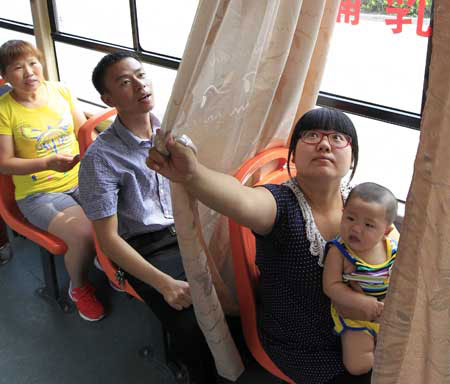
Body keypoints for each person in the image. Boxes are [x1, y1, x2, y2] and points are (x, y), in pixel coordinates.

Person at [148, 107, 384, 383]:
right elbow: (239, 197)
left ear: (352, 157)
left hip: (358, 331)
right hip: (306, 348)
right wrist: (193, 174)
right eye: (311, 135)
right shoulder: (280, 205)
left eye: (337, 138)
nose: (323, 144)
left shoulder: (358, 204)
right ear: (293, 154)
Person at [78, 52, 216, 383]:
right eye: (126, 82)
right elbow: (108, 240)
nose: (140, 85)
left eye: (141, 75)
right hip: (146, 245)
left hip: (187, 226)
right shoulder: (101, 159)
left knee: (238, 288)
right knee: (192, 322)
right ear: (108, 99)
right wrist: (163, 283)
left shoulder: (171, 133)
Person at [0, 40, 104, 321]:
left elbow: (84, 133)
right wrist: (47, 163)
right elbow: (4, 163)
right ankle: (79, 287)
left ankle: (105, 256)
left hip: (79, 177)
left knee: (118, 209)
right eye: (17, 68)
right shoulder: (4, 110)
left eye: (33, 63)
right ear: (6, 77)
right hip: (39, 192)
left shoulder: (61, 91)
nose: (29, 72)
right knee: (82, 234)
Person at [323, 182, 398, 375]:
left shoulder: (391, 248)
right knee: (358, 365)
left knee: (402, 352)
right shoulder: (339, 251)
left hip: (386, 311)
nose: (356, 228)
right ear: (342, 213)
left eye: (369, 225)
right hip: (354, 315)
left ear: (386, 232)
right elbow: (331, 286)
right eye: (350, 218)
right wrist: (362, 302)